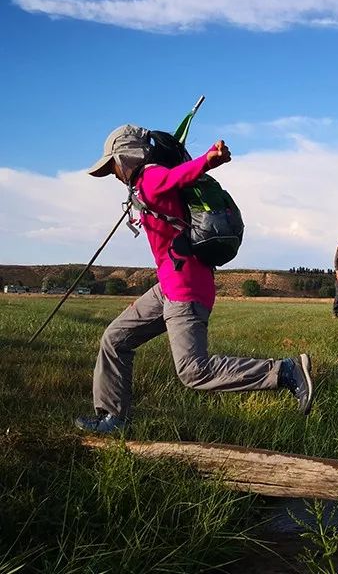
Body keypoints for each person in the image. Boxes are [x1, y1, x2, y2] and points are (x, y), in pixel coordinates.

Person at [75, 125, 313, 434]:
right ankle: (114, 418)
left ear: (127, 157)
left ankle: (286, 371)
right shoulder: (141, 187)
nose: (113, 173)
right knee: (115, 340)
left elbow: (175, 176)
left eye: (113, 166)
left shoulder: (150, 177)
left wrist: (208, 160)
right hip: (169, 285)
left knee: (193, 371)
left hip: (185, 288)